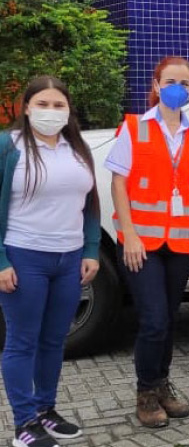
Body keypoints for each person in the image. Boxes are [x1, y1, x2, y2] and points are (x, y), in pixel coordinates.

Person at [106, 57, 189, 427]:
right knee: (152, 319)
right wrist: (129, 235)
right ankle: (146, 392)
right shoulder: (134, 127)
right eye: (170, 80)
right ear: (156, 84)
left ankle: (163, 385)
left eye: (185, 82)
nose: (177, 87)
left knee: (168, 318)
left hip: (181, 244)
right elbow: (118, 182)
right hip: (141, 242)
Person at [0, 77, 100, 447]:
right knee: (22, 341)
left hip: (69, 260)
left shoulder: (77, 148)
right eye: (42, 104)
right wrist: (0, 260)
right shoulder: (7, 147)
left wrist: (90, 250)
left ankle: (45, 411)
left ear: (69, 110)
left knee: (54, 341)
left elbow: (89, 204)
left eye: (59, 105)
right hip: (25, 256)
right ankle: (24, 423)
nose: (51, 112)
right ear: (26, 107)